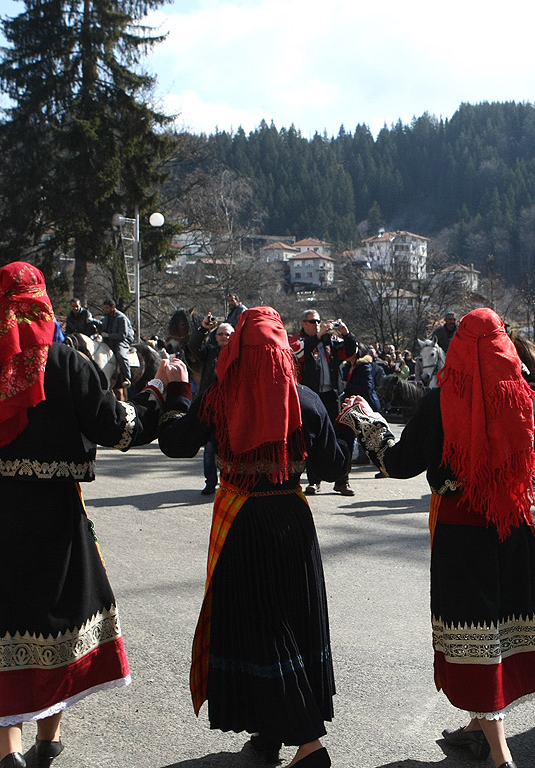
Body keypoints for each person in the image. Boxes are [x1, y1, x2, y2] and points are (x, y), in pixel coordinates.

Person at [0, 262, 166, 768]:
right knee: (54, 625)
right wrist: (162, 391)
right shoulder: (69, 365)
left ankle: (7, 750)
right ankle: (47, 740)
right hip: (53, 522)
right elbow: (120, 430)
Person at [338, 308, 535, 768]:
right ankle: (476, 728)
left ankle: (500, 753)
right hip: (511, 522)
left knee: (475, 632)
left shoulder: (439, 400)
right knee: (502, 625)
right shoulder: (522, 394)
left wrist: (366, 422)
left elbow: (399, 464)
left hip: (462, 528)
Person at [156, 307, 352, 768]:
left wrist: (174, 391)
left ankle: (308, 744)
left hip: (242, 523)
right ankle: (269, 735)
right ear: (285, 352)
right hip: (291, 522)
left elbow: (177, 443)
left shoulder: (218, 398)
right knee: (290, 623)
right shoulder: (306, 400)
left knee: (261, 630)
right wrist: (349, 425)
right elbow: (333, 468)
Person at [291, 309, 357, 496]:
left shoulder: (330, 341)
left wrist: (346, 333)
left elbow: (350, 352)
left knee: (341, 435)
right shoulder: (298, 340)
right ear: (303, 323)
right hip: (311, 396)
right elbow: (299, 354)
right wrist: (318, 336)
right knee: (312, 438)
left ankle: (342, 481)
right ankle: (314, 481)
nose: (317, 324)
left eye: (318, 321)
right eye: (312, 322)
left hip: (332, 395)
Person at [189, 321, 234, 495]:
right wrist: (203, 329)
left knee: (227, 447)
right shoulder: (208, 352)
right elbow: (193, 346)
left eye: (227, 334)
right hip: (210, 407)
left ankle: (227, 481)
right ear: (215, 337)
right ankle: (210, 482)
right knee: (209, 448)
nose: (224, 337)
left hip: (230, 407)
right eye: (221, 334)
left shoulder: (238, 354)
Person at [99, 298, 135, 388]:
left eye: (107, 308)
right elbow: (102, 327)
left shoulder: (121, 318)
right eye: (105, 308)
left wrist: (107, 335)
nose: (105, 310)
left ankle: (127, 377)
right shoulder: (106, 317)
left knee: (120, 354)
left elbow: (122, 335)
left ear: (113, 307)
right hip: (110, 340)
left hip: (123, 341)